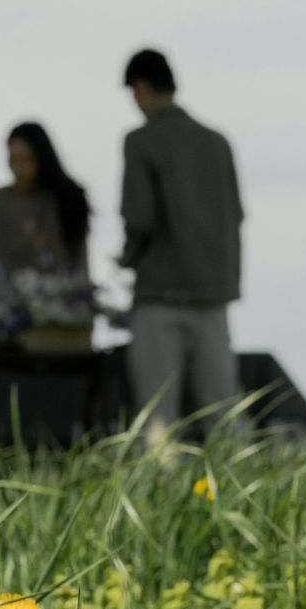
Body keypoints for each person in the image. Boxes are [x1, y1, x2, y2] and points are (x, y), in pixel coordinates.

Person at [117, 48, 244, 443]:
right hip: (213, 294)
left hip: (160, 295)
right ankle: (244, 493)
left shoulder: (141, 140)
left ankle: (155, 499)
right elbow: (236, 215)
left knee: (158, 419)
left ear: (140, 87)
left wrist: (127, 258)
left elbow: (140, 218)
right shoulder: (217, 143)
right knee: (224, 413)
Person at [0, 122, 95, 350]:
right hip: (7, 333)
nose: (19, 168)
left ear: (42, 158)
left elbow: (81, 267)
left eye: (26, 160)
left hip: (64, 329)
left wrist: (82, 311)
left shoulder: (67, 200)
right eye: (13, 160)